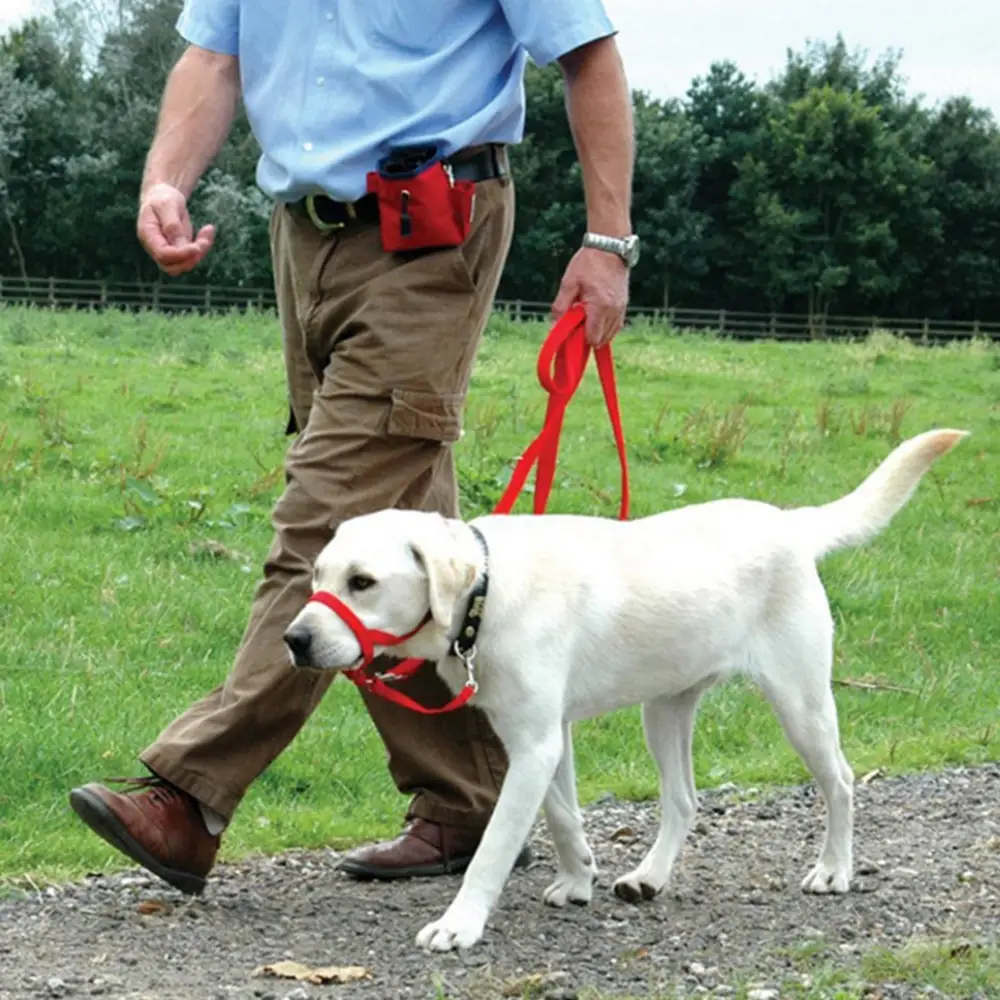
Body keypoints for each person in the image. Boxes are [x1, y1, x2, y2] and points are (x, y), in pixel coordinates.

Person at [69, 0, 639, 894]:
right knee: (403, 532)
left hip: (434, 230)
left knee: (325, 525)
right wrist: (165, 180)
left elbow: (588, 52)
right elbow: (213, 57)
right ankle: (471, 798)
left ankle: (191, 795)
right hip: (301, 236)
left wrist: (609, 241)